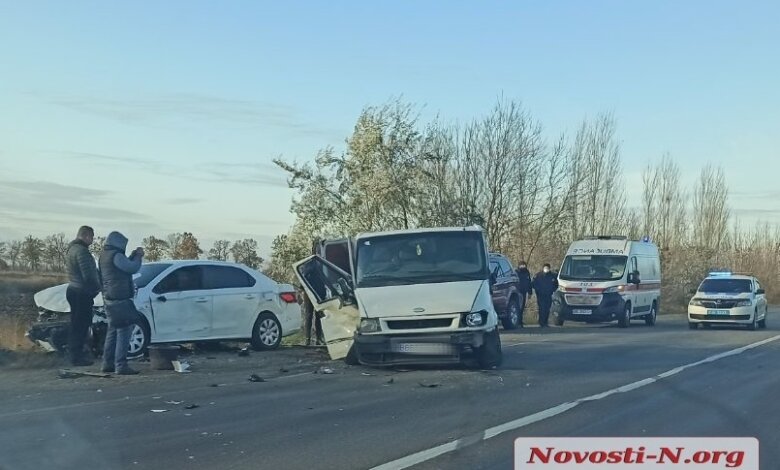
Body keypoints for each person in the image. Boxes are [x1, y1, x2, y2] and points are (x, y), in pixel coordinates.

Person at [99, 231, 144, 375]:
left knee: (113, 331)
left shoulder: (104, 255)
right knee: (125, 330)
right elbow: (131, 268)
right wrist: (138, 257)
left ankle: (107, 364)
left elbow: (122, 268)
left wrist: (130, 257)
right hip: (120, 297)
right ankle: (121, 365)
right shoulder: (116, 255)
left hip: (109, 297)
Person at [65, 226, 102, 366]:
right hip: (81, 292)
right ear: (85, 236)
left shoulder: (71, 249)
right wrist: (96, 289)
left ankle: (75, 354)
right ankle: (77, 357)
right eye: (91, 237)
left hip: (74, 289)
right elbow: (89, 276)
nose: (92, 240)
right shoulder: (82, 252)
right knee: (81, 325)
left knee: (76, 324)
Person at [532, 263, 559, 328]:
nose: (546, 269)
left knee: (547, 309)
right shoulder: (538, 275)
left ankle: (545, 322)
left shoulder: (553, 276)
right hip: (540, 295)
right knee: (542, 308)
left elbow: (556, 285)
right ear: (543, 268)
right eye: (545, 268)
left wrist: (552, 290)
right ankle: (541, 322)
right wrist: (538, 290)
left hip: (548, 295)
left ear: (549, 269)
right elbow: (533, 284)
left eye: (547, 268)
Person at [515, 260, 533, 328]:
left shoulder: (527, 272)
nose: (523, 266)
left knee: (522, 307)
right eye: (521, 265)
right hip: (517, 292)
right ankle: (518, 322)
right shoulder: (516, 272)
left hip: (524, 292)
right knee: (518, 307)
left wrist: (530, 292)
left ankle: (520, 321)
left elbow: (529, 283)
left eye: (524, 265)